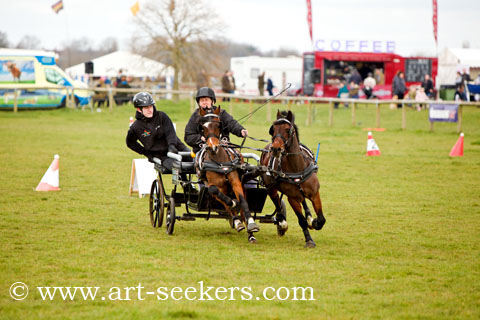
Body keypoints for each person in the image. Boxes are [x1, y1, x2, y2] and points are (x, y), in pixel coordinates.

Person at [126, 92, 190, 172]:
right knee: (178, 168)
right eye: (146, 108)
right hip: (162, 156)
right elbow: (130, 143)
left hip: (177, 147)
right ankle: (185, 183)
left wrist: (172, 146)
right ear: (139, 109)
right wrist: (145, 152)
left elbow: (170, 132)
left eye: (151, 106)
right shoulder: (135, 127)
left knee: (198, 163)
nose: (150, 110)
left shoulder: (162, 116)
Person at [184, 87, 248, 154]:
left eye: (206, 100)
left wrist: (240, 130)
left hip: (223, 147)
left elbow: (231, 123)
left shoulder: (221, 113)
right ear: (199, 103)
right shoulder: (195, 116)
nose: (204, 102)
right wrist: (200, 138)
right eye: (202, 100)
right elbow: (188, 136)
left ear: (212, 101)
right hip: (201, 149)